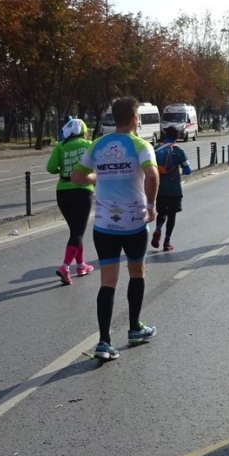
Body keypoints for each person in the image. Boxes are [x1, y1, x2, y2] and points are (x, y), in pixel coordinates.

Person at [71, 97, 159, 361]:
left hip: (104, 225)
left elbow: (77, 177)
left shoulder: (98, 144)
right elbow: (152, 175)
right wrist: (151, 205)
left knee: (107, 282)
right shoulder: (141, 145)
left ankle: (104, 342)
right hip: (134, 223)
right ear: (134, 119)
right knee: (137, 273)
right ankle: (134, 328)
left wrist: (98, 176)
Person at [46, 118, 94, 285]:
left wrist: (65, 168)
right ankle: (65, 267)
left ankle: (81, 265)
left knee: (75, 231)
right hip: (82, 191)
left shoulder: (60, 146)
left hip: (63, 192)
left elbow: (51, 168)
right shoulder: (89, 145)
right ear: (83, 131)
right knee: (78, 232)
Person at [151, 126, 192, 252]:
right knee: (171, 215)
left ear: (165, 135)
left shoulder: (155, 149)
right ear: (178, 136)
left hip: (159, 189)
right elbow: (188, 170)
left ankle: (158, 228)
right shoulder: (178, 151)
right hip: (174, 189)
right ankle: (167, 242)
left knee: (162, 212)